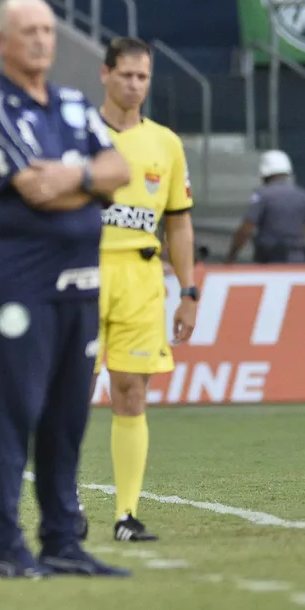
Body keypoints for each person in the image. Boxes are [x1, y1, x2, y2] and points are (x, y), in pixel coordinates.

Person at [0, 0, 131, 579]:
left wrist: (74, 174)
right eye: (28, 30)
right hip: (22, 286)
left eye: (48, 30)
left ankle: (62, 540)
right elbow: (35, 189)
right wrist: (88, 180)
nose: (41, 40)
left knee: (67, 416)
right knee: (16, 411)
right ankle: (7, 545)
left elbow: (120, 170)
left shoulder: (72, 103)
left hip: (81, 282)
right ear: (1, 42)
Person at [90, 37, 197, 543]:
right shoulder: (77, 133)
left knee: (131, 391)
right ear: (105, 74)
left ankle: (126, 515)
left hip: (140, 277)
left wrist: (189, 291)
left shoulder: (166, 144)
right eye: (126, 74)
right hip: (83, 274)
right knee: (66, 393)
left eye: (143, 77)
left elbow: (178, 223)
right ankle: (64, 503)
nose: (135, 84)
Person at [226, 149, 305, 264]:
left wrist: (232, 255)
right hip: (298, 260)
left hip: (270, 261)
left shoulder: (262, 195)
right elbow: (304, 230)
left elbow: (247, 228)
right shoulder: (303, 195)